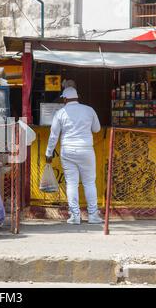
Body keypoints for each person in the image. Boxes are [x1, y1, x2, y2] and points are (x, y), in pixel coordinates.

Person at [45, 87, 103, 225]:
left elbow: (54, 135)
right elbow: (97, 129)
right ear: (78, 97)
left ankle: (75, 216)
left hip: (68, 150)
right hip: (86, 150)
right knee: (89, 183)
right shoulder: (89, 110)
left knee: (71, 183)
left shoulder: (60, 113)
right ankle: (93, 215)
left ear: (65, 99)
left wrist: (49, 153)